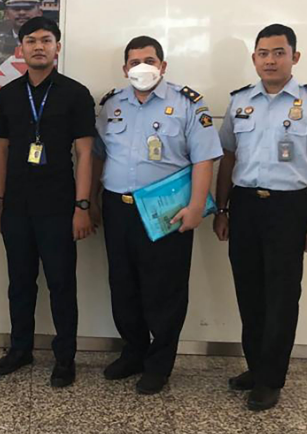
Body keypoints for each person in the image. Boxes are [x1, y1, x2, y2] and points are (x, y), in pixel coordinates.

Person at [213, 23, 307, 411]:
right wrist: (222, 209)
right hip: (245, 205)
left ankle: (271, 379)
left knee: (282, 297)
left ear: (294, 57)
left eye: (278, 53)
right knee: (249, 292)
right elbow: (228, 159)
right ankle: (256, 368)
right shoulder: (240, 101)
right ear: (254, 58)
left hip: (289, 208)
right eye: (263, 53)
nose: (270, 60)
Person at [89, 36, 222, 395]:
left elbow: (205, 159)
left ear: (163, 66)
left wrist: (197, 207)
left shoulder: (187, 103)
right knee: (123, 285)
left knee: (165, 289)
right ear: (125, 69)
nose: (142, 67)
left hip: (168, 211)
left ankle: (159, 365)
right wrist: (92, 200)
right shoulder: (112, 104)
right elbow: (98, 154)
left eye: (149, 60)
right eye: (135, 62)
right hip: (119, 208)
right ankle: (133, 352)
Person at [0, 16, 95, 388]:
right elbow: (2, 151)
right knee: (19, 283)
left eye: (46, 40)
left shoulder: (76, 93)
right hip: (17, 206)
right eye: (31, 40)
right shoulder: (7, 95)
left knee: (61, 284)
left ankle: (65, 357)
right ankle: (20, 349)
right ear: (20, 49)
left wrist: (82, 206)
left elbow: (85, 153)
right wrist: (0, 201)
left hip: (59, 206)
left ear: (57, 47)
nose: (38, 46)